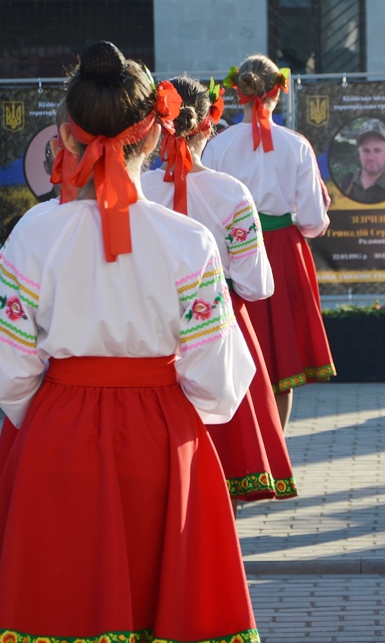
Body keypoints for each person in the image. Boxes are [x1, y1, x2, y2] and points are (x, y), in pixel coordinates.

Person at [0, 41, 260, 643]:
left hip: (58, 434)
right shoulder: (190, 242)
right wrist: (175, 413)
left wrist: (53, 409)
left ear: (66, 138)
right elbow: (217, 380)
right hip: (163, 436)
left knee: (59, 606)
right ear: (154, 135)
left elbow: (9, 368)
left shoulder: (31, 233)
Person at [143, 75, 297, 504]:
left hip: (153, 322)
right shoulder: (231, 192)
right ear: (209, 124)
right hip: (220, 314)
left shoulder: (137, 190)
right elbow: (256, 284)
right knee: (226, 429)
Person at [204, 54, 334, 431]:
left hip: (231, 253)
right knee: (281, 361)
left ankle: (243, 451)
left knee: (235, 350)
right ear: (278, 93)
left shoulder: (218, 146)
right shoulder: (296, 145)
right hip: (282, 252)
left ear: (239, 93)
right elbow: (312, 221)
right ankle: (277, 450)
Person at [337, 118, 385, 203]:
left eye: (377, 150)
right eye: (366, 151)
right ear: (359, 153)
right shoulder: (347, 181)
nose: (371, 157)